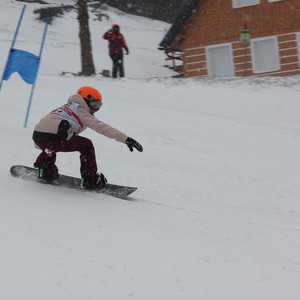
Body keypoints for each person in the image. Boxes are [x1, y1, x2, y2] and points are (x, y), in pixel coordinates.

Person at [32, 86, 143, 189]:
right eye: (94, 105)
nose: (95, 109)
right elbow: (102, 128)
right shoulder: (80, 110)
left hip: (38, 136)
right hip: (56, 136)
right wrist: (126, 139)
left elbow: (47, 129)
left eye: (99, 106)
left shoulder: (66, 108)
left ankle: (46, 171)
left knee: (52, 146)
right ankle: (91, 181)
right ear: (85, 100)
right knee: (86, 146)